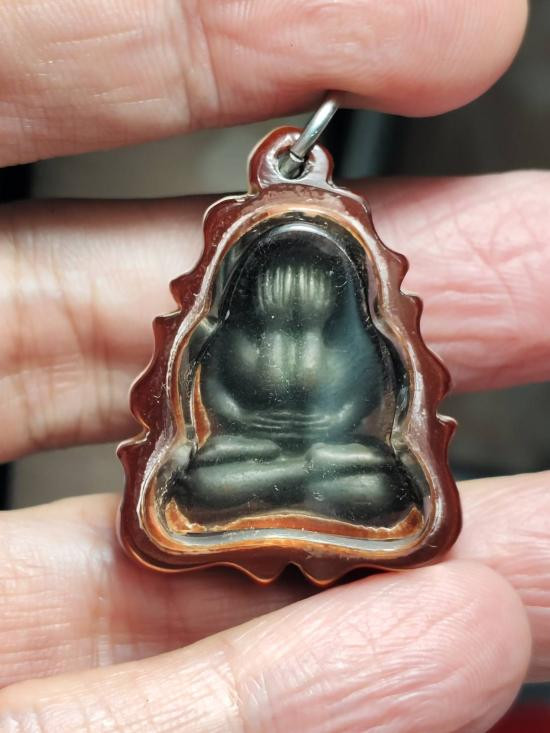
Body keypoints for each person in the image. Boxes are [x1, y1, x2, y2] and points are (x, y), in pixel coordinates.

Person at [0, 1, 544, 731]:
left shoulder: (360, 333)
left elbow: (372, 397)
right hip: (238, 456)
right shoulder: (224, 332)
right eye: (267, 328)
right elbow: (211, 391)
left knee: (373, 480)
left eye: (317, 330)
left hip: (341, 460)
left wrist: (331, 419)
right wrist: (245, 420)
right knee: (208, 479)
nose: (290, 349)